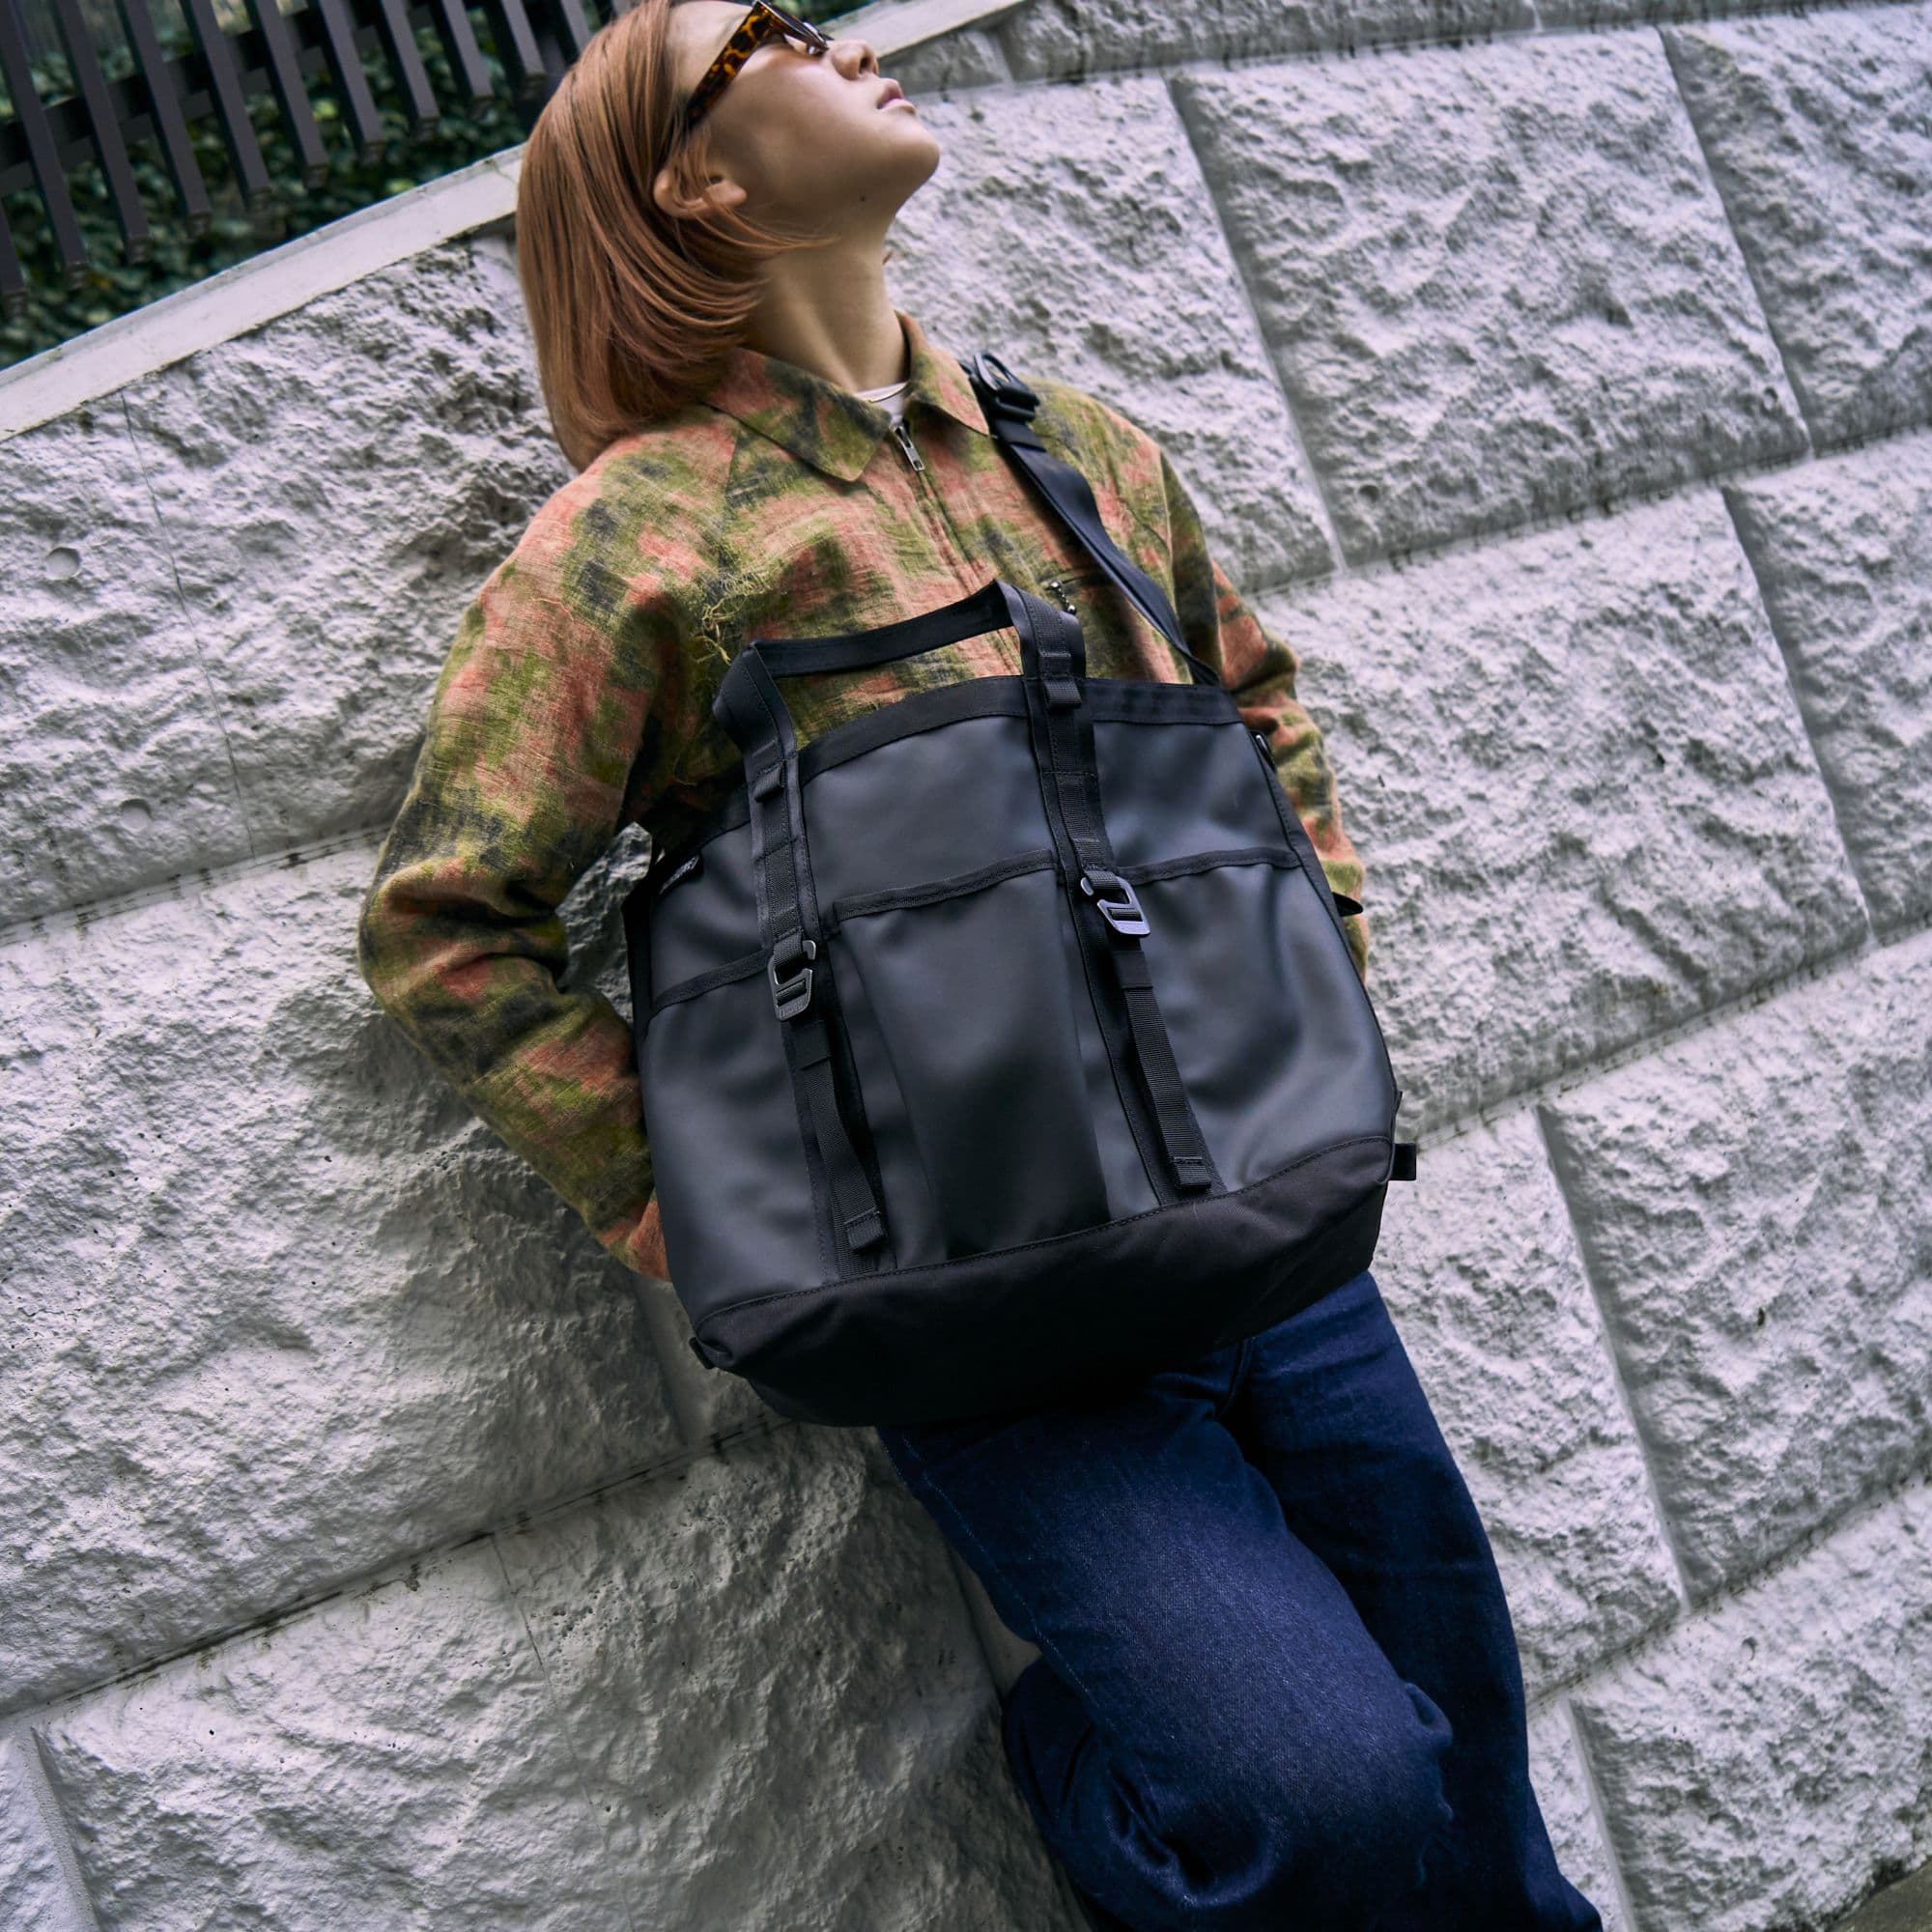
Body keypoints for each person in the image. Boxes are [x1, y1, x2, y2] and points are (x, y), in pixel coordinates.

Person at [355, 4, 1606, 1927]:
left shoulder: (1080, 454)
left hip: (1273, 1233)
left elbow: (1249, 696)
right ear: (694, 175)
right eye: (763, 33)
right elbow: (449, 925)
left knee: (1478, 1797)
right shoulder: (639, 542)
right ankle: (1072, 1763)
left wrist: (1320, 988)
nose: (833, 35)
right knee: (1331, 1802)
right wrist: (695, 1209)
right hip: (990, 1313)